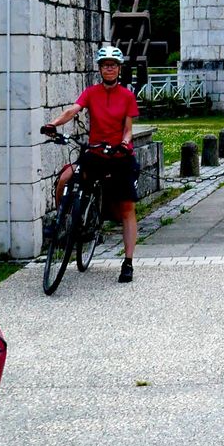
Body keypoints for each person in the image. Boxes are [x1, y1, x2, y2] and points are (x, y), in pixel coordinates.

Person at [47, 44, 141, 283]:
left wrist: (124, 143)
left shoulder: (127, 96)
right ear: (100, 69)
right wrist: (53, 124)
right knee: (66, 178)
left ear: (119, 69)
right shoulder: (91, 92)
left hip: (119, 156)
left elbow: (128, 129)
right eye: (105, 65)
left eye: (113, 65)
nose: (109, 69)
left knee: (126, 208)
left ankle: (128, 262)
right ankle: (62, 223)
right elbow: (73, 110)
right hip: (96, 153)